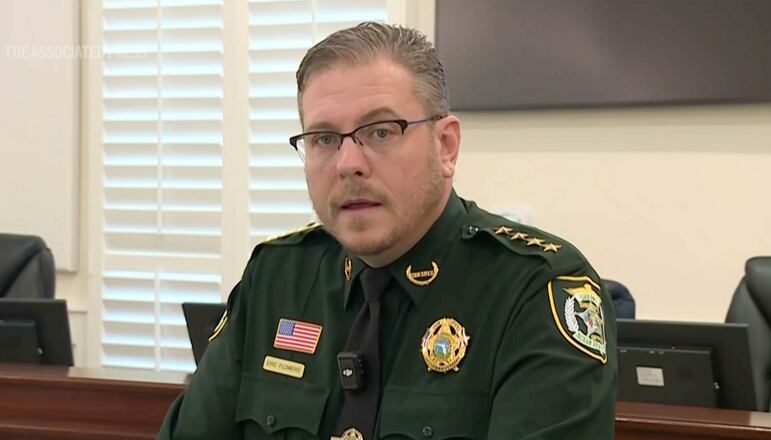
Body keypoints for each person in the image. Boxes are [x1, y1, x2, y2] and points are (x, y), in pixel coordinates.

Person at [158, 22, 616, 440]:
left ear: (447, 145)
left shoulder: (535, 290)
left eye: (380, 132)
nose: (348, 164)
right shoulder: (276, 277)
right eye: (323, 139)